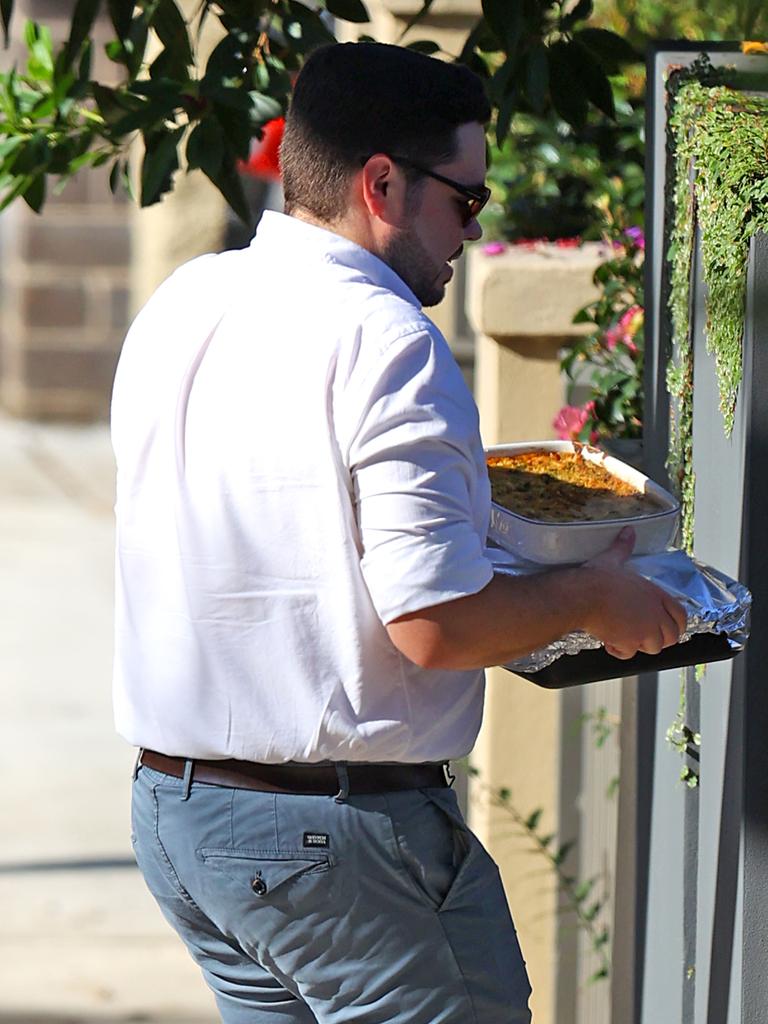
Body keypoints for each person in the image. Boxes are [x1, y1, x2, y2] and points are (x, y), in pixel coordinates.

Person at [111, 41, 686, 1024]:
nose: (473, 228)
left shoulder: (187, 301)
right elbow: (434, 622)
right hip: (333, 836)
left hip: (182, 815)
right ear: (383, 182)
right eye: (466, 199)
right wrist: (595, 594)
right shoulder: (386, 337)